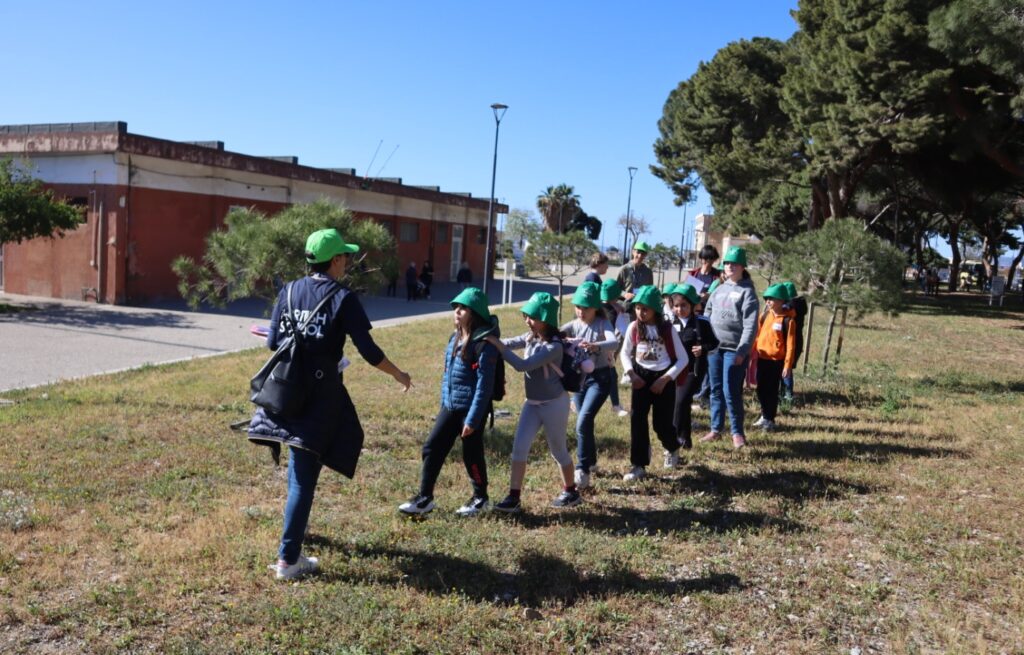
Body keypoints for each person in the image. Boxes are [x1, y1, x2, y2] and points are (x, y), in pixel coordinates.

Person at [248, 228, 412, 581]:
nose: (348, 262)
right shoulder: (343, 297)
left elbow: (273, 341)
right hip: (321, 397)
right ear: (335, 259)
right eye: (346, 256)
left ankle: (292, 546)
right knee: (304, 478)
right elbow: (368, 351)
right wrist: (398, 374)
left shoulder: (289, 290)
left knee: (301, 469)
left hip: (288, 391)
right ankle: (288, 560)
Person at [399, 287, 498, 517]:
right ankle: (425, 498)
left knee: (471, 454)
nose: (457, 311)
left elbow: (484, 386)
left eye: (463, 308)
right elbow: (448, 374)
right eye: (456, 307)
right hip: (450, 406)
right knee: (432, 447)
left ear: (475, 313)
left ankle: (480, 498)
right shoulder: (455, 338)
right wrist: (445, 403)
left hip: (471, 410)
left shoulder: (484, 344)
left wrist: (472, 420)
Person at [485, 292, 580, 512]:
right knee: (519, 449)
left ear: (545, 319)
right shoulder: (532, 337)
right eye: (526, 316)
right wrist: (490, 341)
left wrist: (498, 347)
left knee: (558, 451)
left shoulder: (553, 347)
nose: (527, 320)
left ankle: (571, 491)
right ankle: (513, 497)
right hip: (532, 404)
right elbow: (510, 343)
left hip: (554, 404)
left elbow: (522, 365)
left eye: (532, 317)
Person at [619, 286, 687, 480]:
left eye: (645, 309)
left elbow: (683, 359)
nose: (641, 312)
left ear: (655, 309)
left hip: (663, 378)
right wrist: (632, 374)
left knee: (661, 424)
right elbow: (625, 352)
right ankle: (638, 464)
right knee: (637, 420)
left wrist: (665, 379)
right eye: (638, 308)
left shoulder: (666, 329)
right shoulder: (634, 327)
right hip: (640, 377)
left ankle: (672, 447)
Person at [560, 281, 618, 489]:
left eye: (585, 307)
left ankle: (582, 469)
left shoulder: (603, 324)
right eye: (578, 307)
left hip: (601, 379)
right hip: (579, 380)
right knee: (585, 422)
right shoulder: (574, 325)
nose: (580, 311)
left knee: (582, 421)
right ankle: (591, 461)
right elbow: (555, 334)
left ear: (595, 308)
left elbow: (614, 342)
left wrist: (596, 346)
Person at [700, 246, 758, 449]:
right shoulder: (719, 287)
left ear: (742, 266)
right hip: (715, 349)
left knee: (730, 391)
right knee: (715, 390)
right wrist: (705, 340)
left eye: (734, 263)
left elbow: (751, 325)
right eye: (726, 263)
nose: (729, 267)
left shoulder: (748, 292)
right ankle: (716, 429)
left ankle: (737, 433)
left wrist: (743, 350)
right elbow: (707, 312)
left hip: (734, 350)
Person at [668, 284, 718, 450]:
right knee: (679, 403)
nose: (679, 309)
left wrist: (702, 348)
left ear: (691, 306)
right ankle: (685, 439)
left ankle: (674, 440)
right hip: (673, 370)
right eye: (676, 306)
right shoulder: (668, 323)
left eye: (683, 305)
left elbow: (714, 343)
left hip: (693, 371)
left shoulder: (701, 323)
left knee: (681, 401)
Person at [752, 284, 797, 432]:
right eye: (767, 299)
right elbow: (756, 336)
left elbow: (790, 345)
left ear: (781, 300)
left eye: (771, 298)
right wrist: (752, 354)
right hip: (761, 359)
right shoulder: (764, 316)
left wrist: (787, 365)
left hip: (776, 362)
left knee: (771, 391)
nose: (768, 301)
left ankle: (770, 419)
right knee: (761, 389)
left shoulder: (788, 321)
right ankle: (764, 415)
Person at [601, 279, 631, 418]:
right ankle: (616, 406)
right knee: (611, 376)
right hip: (601, 348)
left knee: (611, 375)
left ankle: (615, 405)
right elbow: (624, 330)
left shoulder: (597, 306)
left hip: (601, 348)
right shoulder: (610, 311)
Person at [780, 281, 807, 402]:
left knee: (786, 367)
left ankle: (787, 395)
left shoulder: (791, 306)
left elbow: (785, 309)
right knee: (786, 367)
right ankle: (784, 393)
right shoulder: (800, 304)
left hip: (790, 341)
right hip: (797, 340)